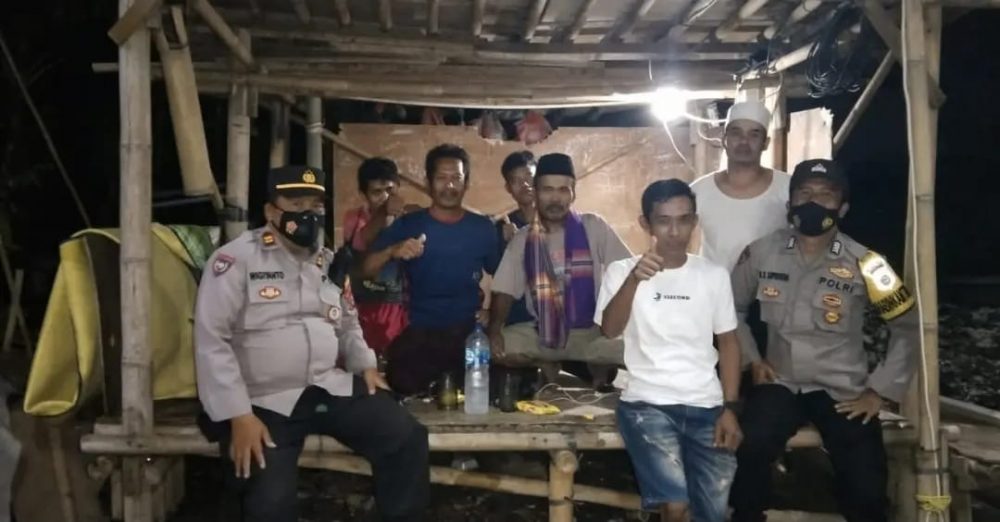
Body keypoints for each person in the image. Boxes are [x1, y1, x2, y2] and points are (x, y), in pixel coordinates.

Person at [194, 165, 429, 522]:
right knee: (270, 502)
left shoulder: (327, 261)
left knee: (406, 437)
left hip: (326, 386)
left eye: (315, 205)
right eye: (296, 204)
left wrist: (364, 364)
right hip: (262, 401)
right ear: (272, 211)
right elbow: (212, 341)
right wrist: (238, 416)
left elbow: (348, 321)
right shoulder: (236, 260)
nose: (308, 214)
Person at [728, 159, 919, 522]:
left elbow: (908, 326)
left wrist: (880, 391)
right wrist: (752, 359)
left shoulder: (868, 263)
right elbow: (730, 310)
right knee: (749, 449)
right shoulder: (761, 252)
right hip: (780, 381)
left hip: (842, 391)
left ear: (842, 208)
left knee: (866, 484)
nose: (814, 202)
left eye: (826, 195)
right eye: (805, 193)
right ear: (791, 204)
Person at [596, 179, 742, 522]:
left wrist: (730, 408)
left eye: (684, 220)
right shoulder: (622, 272)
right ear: (645, 223)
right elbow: (609, 329)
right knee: (675, 507)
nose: (675, 232)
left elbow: (729, 343)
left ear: (695, 221)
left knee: (712, 514)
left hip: (706, 405)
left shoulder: (713, 275)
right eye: (663, 221)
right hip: (647, 405)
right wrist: (635, 280)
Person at [362, 144, 500, 396]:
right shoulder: (409, 224)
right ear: (428, 182)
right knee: (401, 382)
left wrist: (493, 313)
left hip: (468, 332)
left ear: (466, 183)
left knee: (490, 387)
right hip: (420, 330)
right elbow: (366, 269)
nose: (449, 186)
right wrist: (393, 250)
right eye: (441, 178)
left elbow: (503, 278)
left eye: (456, 178)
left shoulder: (483, 228)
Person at [488, 153, 631, 388]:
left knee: (643, 349)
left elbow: (628, 272)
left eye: (563, 190)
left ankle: (587, 364)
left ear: (573, 193)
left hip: (591, 332)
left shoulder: (593, 226)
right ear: (535, 192)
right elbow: (503, 291)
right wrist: (494, 330)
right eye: (547, 190)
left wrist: (614, 321)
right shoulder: (523, 239)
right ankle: (554, 362)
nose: (555, 199)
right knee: (489, 348)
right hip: (543, 333)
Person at [690, 100, 791, 271]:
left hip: (770, 286)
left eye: (754, 135)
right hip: (715, 286)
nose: (744, 141)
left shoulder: (788, 188)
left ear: (765, 143)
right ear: (724, 140)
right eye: (736, 133)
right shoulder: (699, 191)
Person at [342, 157, 410, 356]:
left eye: (390, 190)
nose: (385, 197)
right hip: (361, 310)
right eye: (377, 192)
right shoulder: (354, 219)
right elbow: (360, 244)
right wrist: (383, 215)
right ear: (363, 194)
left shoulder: (409, 219)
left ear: (398, 187)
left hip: (398, 312)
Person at [495, 150, 537, 326]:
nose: (525, 184)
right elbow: (497, 277)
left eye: (529, 177)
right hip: (518, 320)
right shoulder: (502, 227)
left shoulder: (558, 220)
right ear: (508, 188)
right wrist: (505, 245)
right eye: (516, 180)